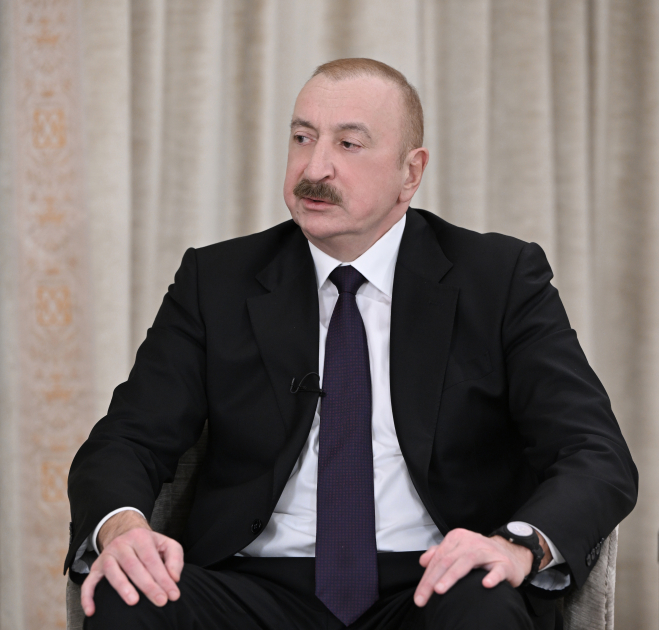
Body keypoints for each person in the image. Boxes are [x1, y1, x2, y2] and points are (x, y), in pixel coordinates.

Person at [66, 58, 638, 630]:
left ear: (410, 173)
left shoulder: (498, 279)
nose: (315, 167)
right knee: (128, 597)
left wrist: (517, 547)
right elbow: (127, 439)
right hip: (253, 587)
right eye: (302, 138)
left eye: (349, 144)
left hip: (434, 582)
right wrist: (123, 527)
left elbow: (594, 452)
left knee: (482, 607)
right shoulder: (216, 282)